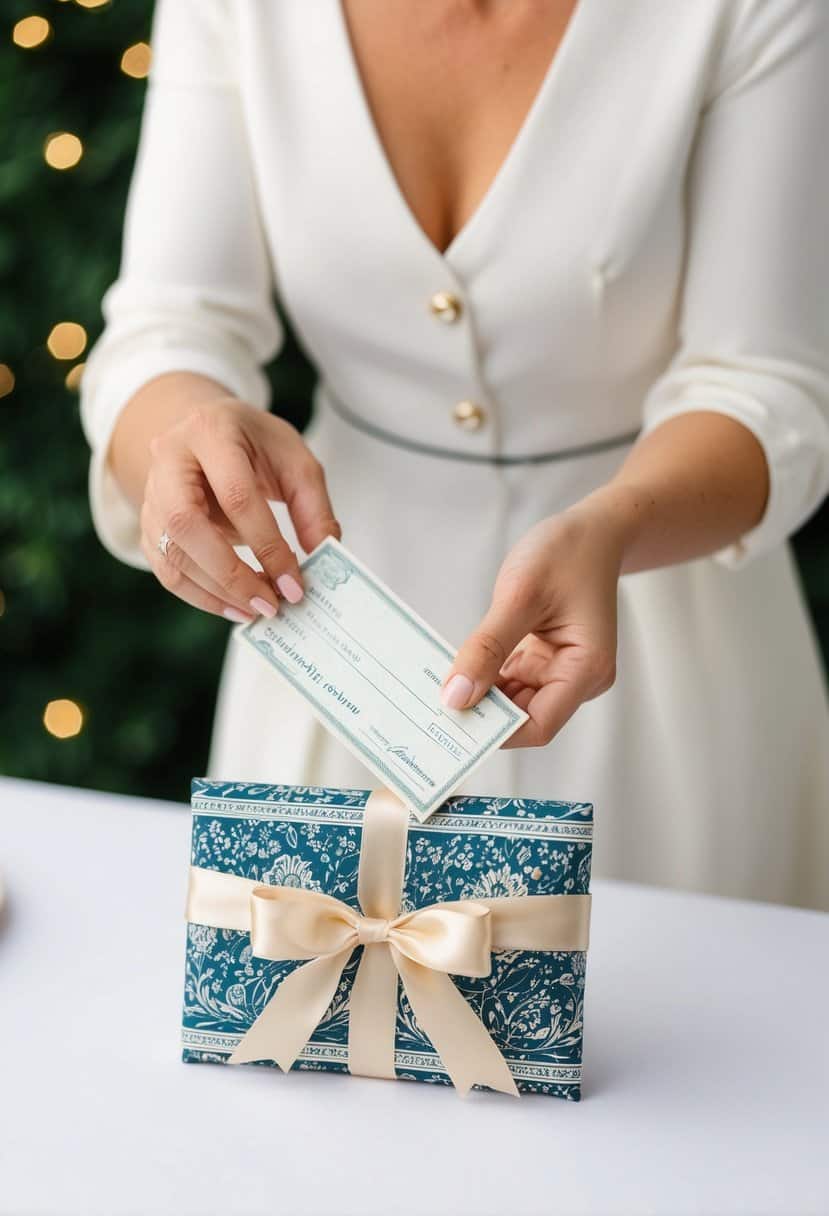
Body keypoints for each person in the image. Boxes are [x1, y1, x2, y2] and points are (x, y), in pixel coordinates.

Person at [80, 0, 829, 910]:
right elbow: (169, 324)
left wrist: (612, 530)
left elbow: (765, 382)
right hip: (332, 644)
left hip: (663, 648)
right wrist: (184, 433)